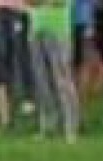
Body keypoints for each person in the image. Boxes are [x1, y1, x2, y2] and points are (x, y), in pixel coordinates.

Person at [27, 0, 79, 138]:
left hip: (59, 31)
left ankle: (71, 126)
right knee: (41, 80)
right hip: (36, 30)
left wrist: (41, 3)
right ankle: (47, 125)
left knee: (63, 79)